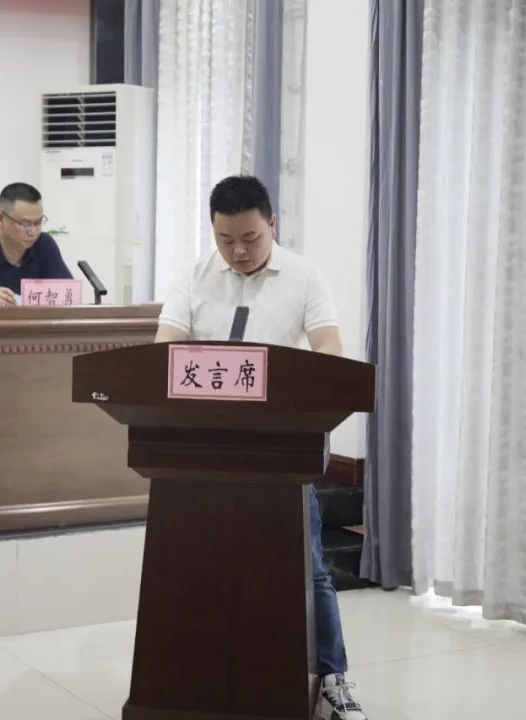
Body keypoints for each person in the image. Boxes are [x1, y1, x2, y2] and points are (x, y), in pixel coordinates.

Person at [155, 175, 365, 720]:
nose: (239, 251)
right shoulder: (193, 277)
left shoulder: (304, 275)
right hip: (205, 450)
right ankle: (201, 675)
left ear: (272, 223)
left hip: (283, 448)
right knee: (202, 566)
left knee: (309, 568)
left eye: (250, 237)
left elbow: (329, 348)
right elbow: (165, 351)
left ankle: (332, 678)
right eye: (225, 240)